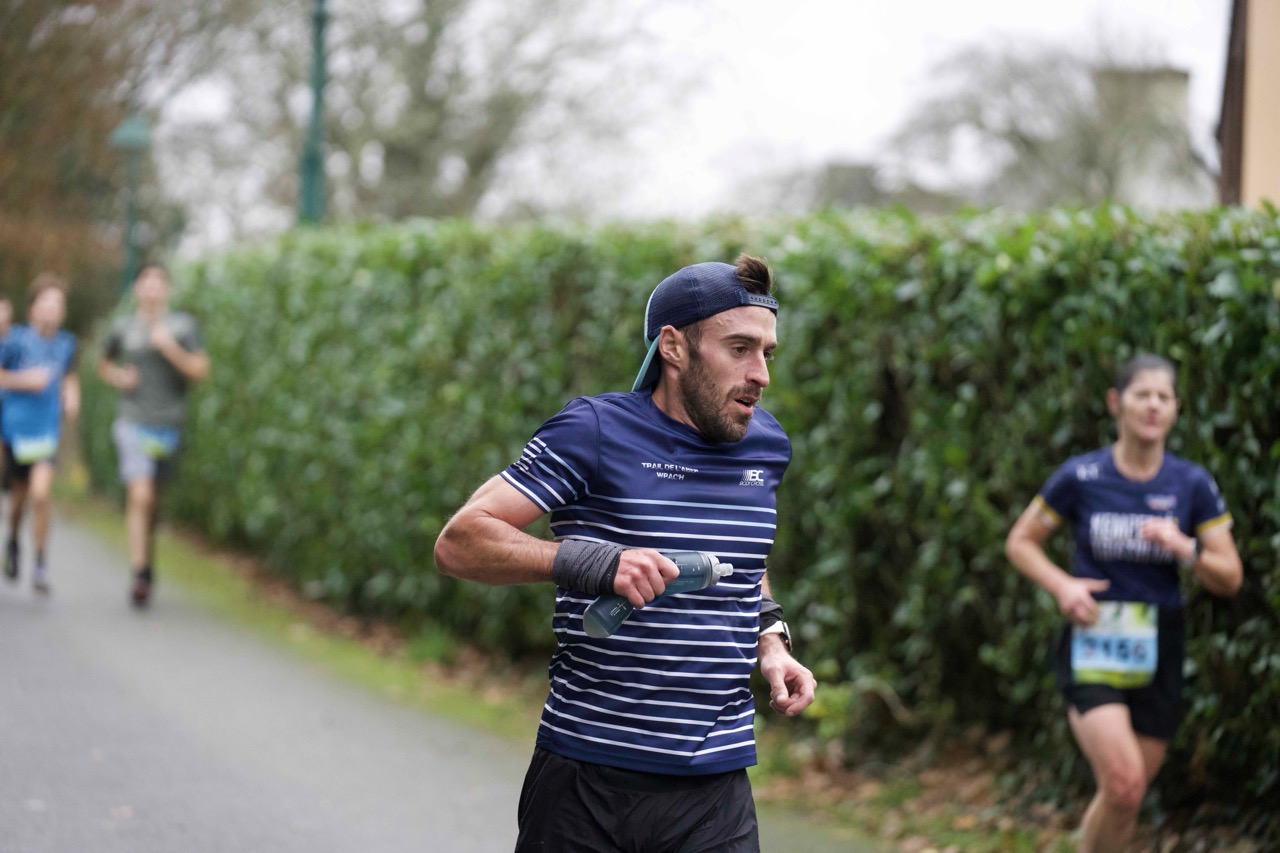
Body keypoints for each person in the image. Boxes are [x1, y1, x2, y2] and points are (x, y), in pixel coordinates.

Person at [434, 254, 816, 852]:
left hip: (715, 788)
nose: (761, 374)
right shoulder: (594, 430)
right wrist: (592, 562)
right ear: (673, 346)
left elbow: (744, 554)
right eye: (739, 348)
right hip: (586, 780)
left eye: (768, 352)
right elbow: (460, 541)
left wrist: (771, 641)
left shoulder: (765, 444)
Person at [1005, 354, 1243, 853]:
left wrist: (1185, 548)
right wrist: (1063, 586)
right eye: (1142, 394)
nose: (1153, 405)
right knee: (1124, 782)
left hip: (1160, 645)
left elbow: (1231, 576)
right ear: (1116, 402)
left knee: (1126, 798)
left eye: (1163, 397)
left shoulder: (1191, 483)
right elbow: (1021, 542)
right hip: (1094, 640)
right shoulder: (1082, 475)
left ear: (1176, 408)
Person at [97, 264, 209, 607]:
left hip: (169, 424)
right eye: (145, 282)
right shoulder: (123, 327)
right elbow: (103, 364)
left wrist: (170, 348)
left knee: (154, 503)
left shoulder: (183, 326)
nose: (151, 288)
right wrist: (119, 377)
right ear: (136, 289)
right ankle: (140, 573)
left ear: (167, 289)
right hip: (133, 420)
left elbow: (200, 370)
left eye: (158, 282)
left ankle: (147, 559)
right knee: (140, 495)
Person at [0, 276, 79, 593]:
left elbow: (69, 376)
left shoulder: (66, 344)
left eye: (57, 304)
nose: (51, 310)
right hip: (16, 431)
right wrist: (25, 380)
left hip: (47, 430)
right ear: (32, 308)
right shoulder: (14, 341)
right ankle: (13, 540)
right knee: (19, 499)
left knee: (41, 495)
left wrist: (72, 396)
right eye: (46, 303)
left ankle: (41, 563)